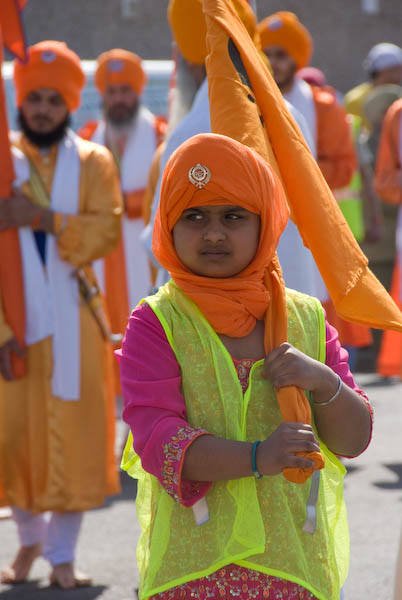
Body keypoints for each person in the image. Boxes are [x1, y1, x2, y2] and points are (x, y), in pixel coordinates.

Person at [120, 133, 373, 600]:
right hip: (193, 573)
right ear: (169, 226)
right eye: (194, 216)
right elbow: (159, 443)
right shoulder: (157, 322)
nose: (213, 233)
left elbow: (354, 439)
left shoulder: (306, 317)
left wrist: (322, 381)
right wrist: (259, 457)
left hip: (294, 567)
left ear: (265, 222)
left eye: (233, 216)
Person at [0, 41, 122, 588]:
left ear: (71, 105)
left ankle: (63, 555)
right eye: (34, 99)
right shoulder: (4, 161)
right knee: (12, 438)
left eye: (54, 100)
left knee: (75, 436)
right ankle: (28, 542)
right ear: (20, 103)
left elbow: (106, 231)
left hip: (75, 321)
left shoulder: (94, 161)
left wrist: (41, 217)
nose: (43, 109)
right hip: (13, 322)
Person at [79, 50, 166, 366]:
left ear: (138, 92)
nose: (119, 99)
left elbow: (167, 192)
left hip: (145, 252)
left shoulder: (161, 135)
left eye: (125, 91)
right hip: (104, 251)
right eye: (112, 92)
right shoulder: (88, 139)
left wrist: (129, 202)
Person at [258, 11, 356, 193]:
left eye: (280, 55)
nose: (272, 62)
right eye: (266, 54)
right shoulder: (248, 101)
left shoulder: (324, 107)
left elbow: (343, 169)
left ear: (295, 59)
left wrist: (290, 170)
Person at [345, 43, 402, 126]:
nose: (400, 73)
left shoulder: (399, 98)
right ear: (384, 70)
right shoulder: (355, 100)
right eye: (398, 69)